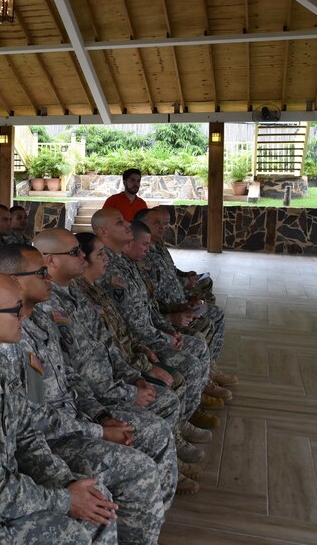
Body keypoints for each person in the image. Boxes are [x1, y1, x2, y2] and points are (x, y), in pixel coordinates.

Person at [0, 245, 167, 544]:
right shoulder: (7, 345)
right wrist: (98, 432)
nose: (49, 278)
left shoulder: (41, 320)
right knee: (136, 474)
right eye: (40, 272)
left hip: (71, 422)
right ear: (14, 281)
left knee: (151, 435)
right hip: (55, 438)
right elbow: (35, 425)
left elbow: (70, 376)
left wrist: (101, 416)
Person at [0, 271, 120, 544]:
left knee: (98, 499)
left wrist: (65, 482)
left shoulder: (1, 366)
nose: (24, 316)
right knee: (76, 530)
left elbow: (27, 437)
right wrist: (64, 500)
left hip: (11, 488)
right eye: (16, 310)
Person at [31, 230, 181, 500]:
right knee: (150, 443)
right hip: (73, 421)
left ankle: (152, 502)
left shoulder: (69, 300)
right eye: (75, 252)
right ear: (51, 261)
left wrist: (134, 378)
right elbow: (38, 419)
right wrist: (102, 422)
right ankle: (148, 501)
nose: (83, 258)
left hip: (90, 406)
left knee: (159, 419)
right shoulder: (36, 322)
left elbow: (101, 349)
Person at [91, 209, 217, 432]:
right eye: (120, 221)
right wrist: (158, 344)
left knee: (200, 336)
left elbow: (147, 307)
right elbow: (129, 325)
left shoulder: (126, 262)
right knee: (189, 361)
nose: (127, 224)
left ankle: (190, 409)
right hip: (138, 347)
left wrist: (169, 326)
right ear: (103, 231)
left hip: (142, 343)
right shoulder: (109, 270)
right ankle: (180, 427)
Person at [140, 207, 236, 389]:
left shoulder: (158, 246)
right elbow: (149, 303)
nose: (163, 227)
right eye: (157, 223)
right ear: (141, 224)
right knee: (202, 330)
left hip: (176, 304)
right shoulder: (140, 257)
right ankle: (204, 379)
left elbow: (172, 273)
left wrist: (188, 287)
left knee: (214, 311)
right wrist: (174, 314)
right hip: (164, 315)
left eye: (166, 224)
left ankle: (210, 369)